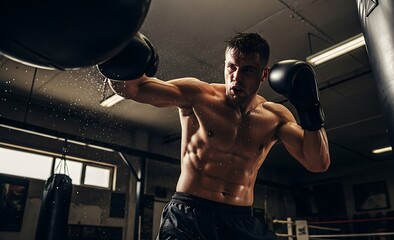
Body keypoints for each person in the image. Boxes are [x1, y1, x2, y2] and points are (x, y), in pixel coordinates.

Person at [98, 32, 330, 240]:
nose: (236, 77)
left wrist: (310, 108)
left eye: (248, 70)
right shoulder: (198, 95)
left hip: (240, 219)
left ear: (263, 74)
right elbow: (133, 89)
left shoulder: (275, 116)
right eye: (231, 67)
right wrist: (119, 58)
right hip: (189, 216)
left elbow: (317, 163)